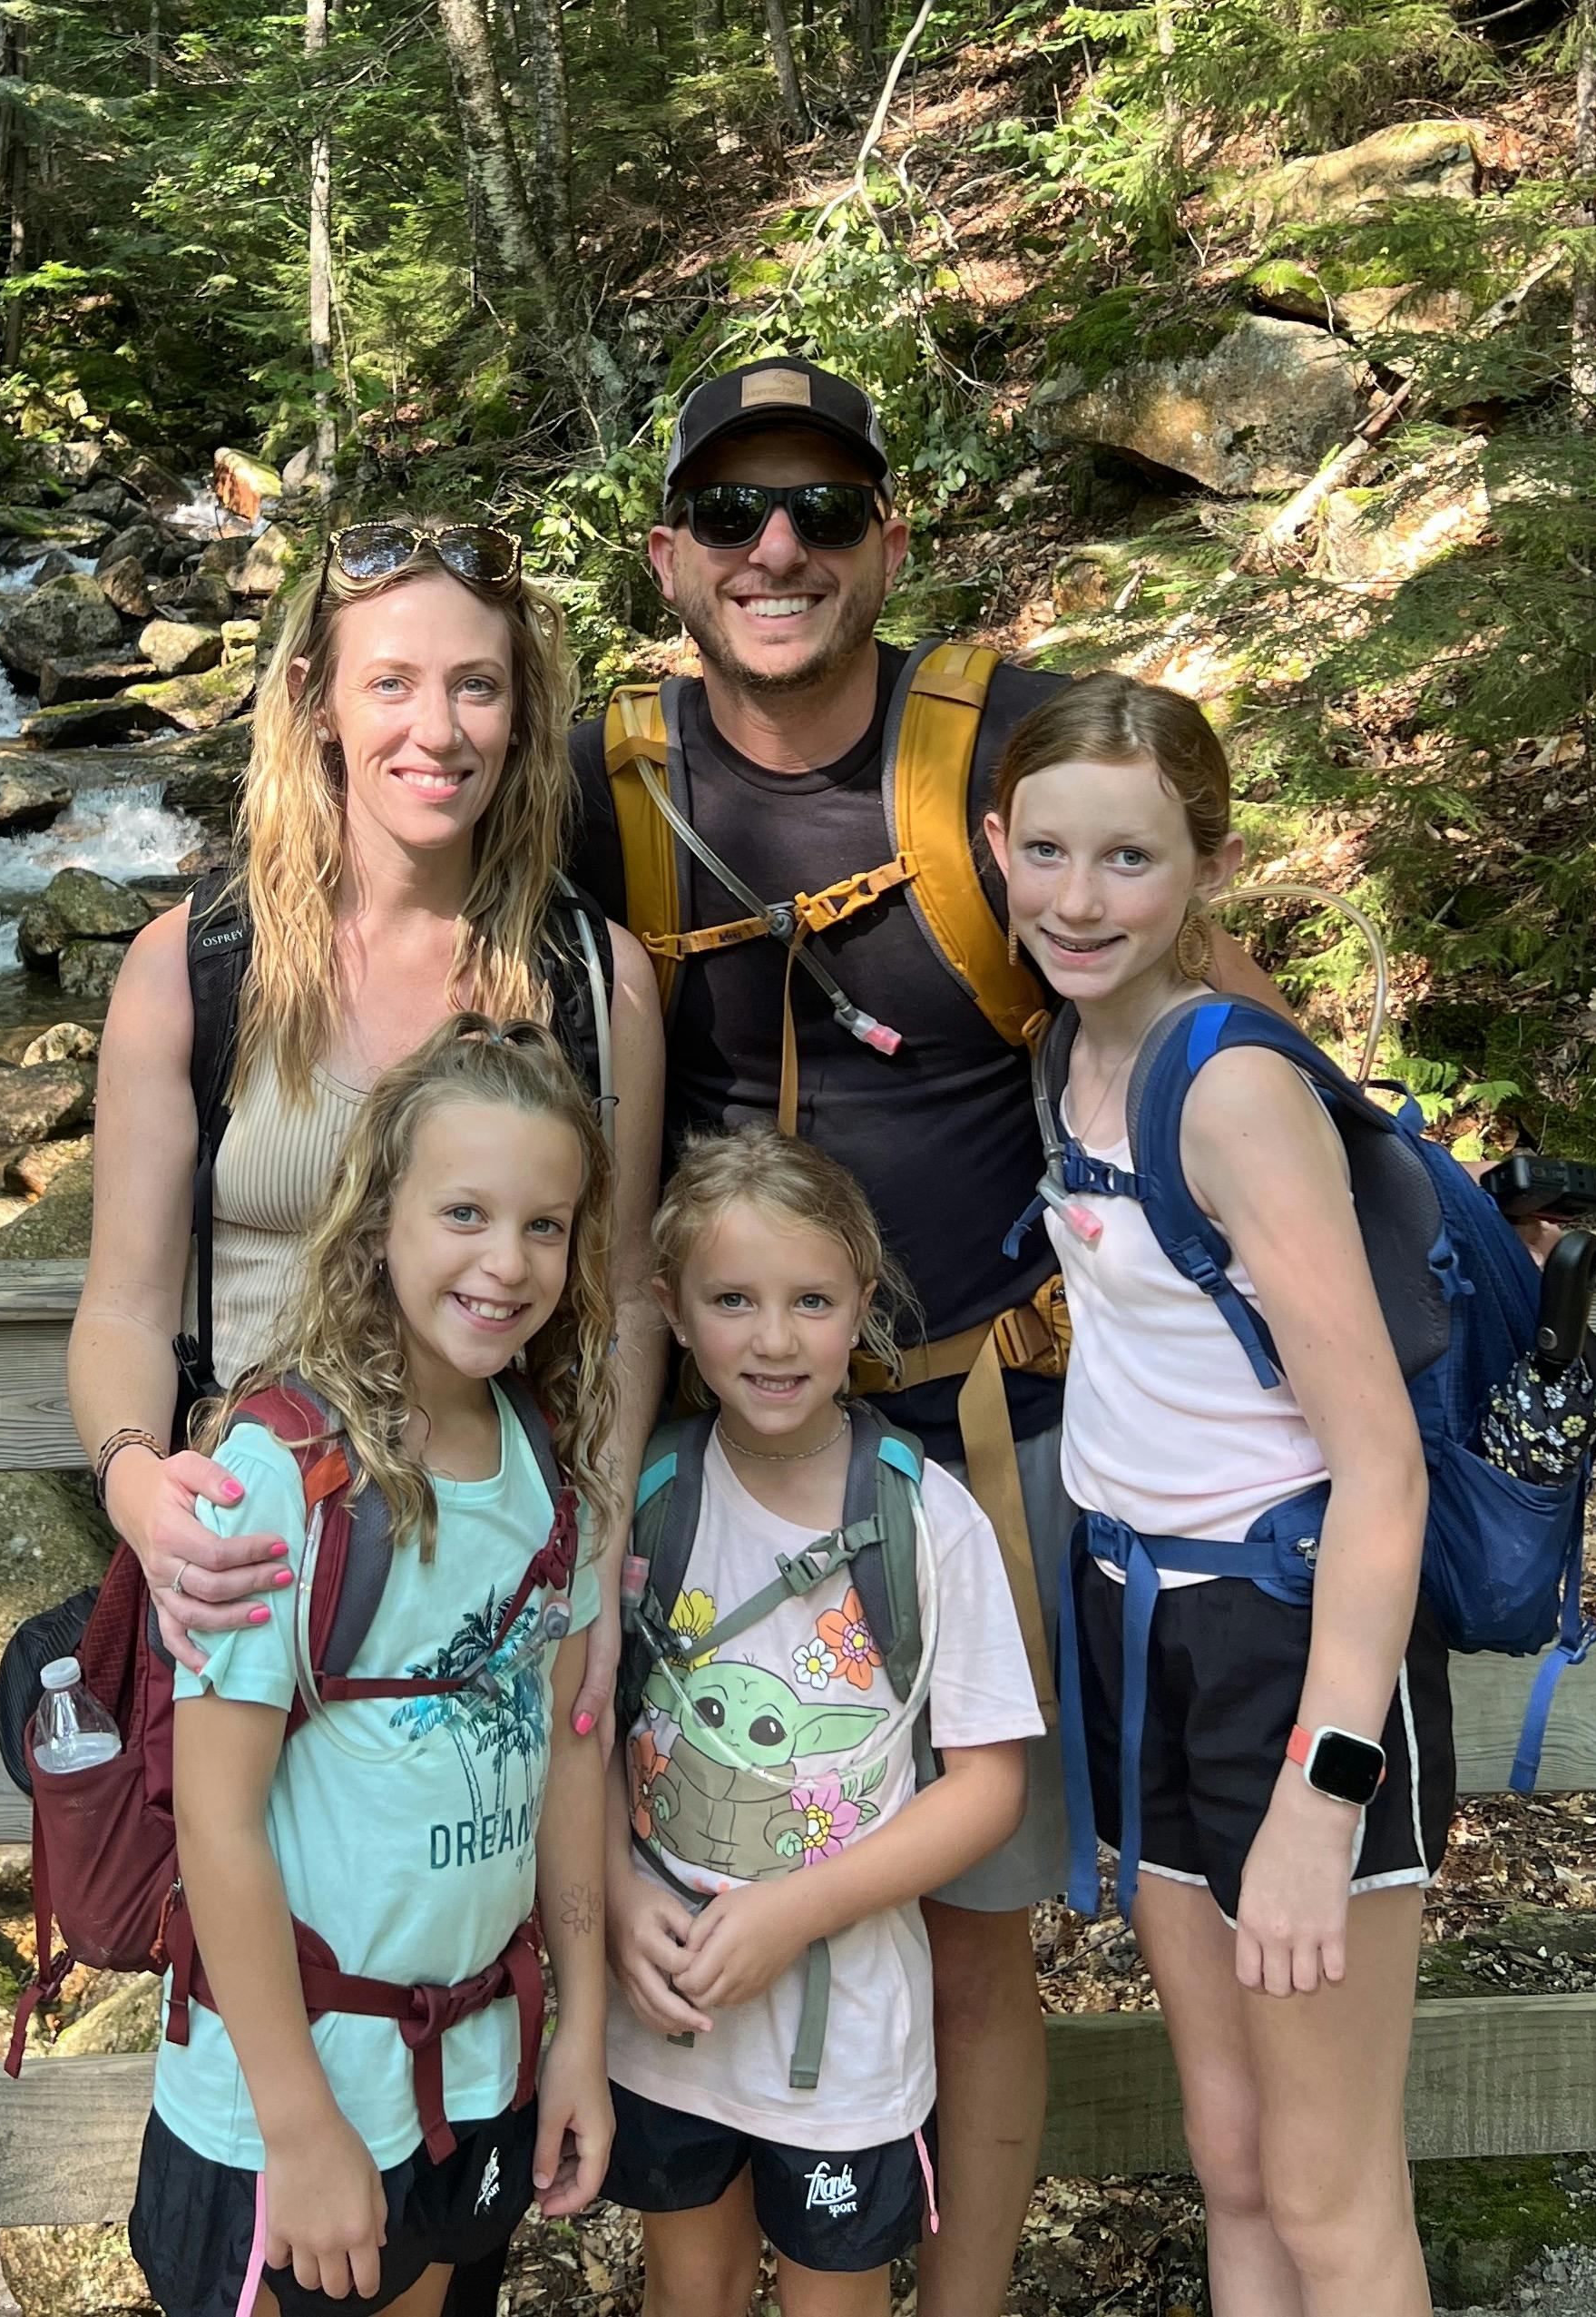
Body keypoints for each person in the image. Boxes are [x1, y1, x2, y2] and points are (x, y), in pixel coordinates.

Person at [568, 357, 1290, 2313]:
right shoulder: (610, 776)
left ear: (892, 535)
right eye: (731, 512)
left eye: (816, 505)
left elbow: (1190, 983)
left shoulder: (998, 743)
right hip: (715, 1453)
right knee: (698, 1852)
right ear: (670, 555)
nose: (775, 545)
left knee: (974, 1920)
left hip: (996, 1430)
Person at [984, 675, 1447, 2315]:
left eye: (1131, 857)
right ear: (997, 844)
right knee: (1231, 2155)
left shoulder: (1231, 1087)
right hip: (1136, 1621)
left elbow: (1380, 1462)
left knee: (1330, 2191)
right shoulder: (1069, 1054)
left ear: (1207, 867)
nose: (1080, 898)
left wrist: (1328, 1796)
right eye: (1048, 851)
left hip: (1287, 1634)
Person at [73, 515, 663, 1734]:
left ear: (521, 710)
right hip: (256, 1577)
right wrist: (143, 1490)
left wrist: (595, 1554)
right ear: (317, 702)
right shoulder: (194, 969)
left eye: (477, 686)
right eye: (390, 682)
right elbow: (127, 1303)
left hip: (503, 1583)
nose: (437, 730)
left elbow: (627, 1298)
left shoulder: (592, 984)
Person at [127, 1016, 620, 2317]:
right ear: (379, 1216)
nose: (505, 1263)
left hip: (474, 2078)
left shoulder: (548, 1464)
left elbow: (567, 1764)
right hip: (294, 2104)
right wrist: (298, 2125)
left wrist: (576, 2032)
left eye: (545, 1225)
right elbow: (217, 1820)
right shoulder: (282, 1477)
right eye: (464, 1211)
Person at [603, 1126, 1041, 2317]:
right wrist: (616, 1889)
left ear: (863, 1302)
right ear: (675, 1311)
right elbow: (585, 1729)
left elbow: (989, 1783)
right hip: (671, 2018)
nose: (776, 1336)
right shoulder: (650, 1499)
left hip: (845, 2036)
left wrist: (796, 1910)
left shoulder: (925, 1516)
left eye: (810, 1298)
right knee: (685, 2289)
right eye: (734, 1298)